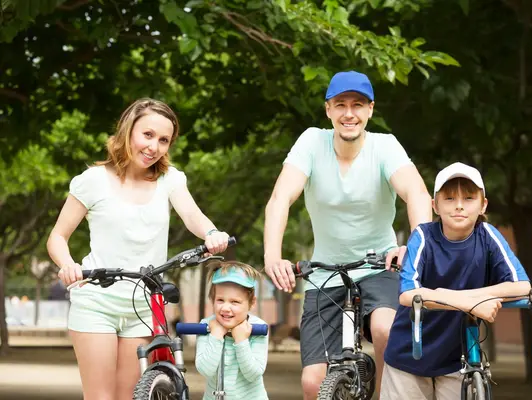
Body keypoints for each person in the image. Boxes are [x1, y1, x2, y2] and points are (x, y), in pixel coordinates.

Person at [46, 98, 231, 400]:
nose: (154, 147)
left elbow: (192, 215)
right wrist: (67, 264)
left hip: (142, 305)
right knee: (100, 397)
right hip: (96, 301)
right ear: (128, 130)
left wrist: (211, 232)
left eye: (163, 140)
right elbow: (57, 237)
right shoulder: (93, 180)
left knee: (129, 396)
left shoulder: (170, 180)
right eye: (147, 135)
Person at [263, 70, 432, 399]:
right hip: (325, 271)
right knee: (313, 383)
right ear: (328, 110)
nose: (349, 113)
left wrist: (415, 247)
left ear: (370, 109)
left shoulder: (385, 146)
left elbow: (417, 194)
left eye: (358, 105)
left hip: (379, 266)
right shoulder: (312, 142)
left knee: (384, 330)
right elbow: (280, 198)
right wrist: (272, 255)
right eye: (340, 104)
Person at [381, 162, 531, 399]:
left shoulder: (489, 236)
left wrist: (462, 297)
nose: (459, 206)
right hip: (408, 355)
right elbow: (408, 294)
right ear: (435, 206)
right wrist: (471, 304)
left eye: (469, 198)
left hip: (456, 358)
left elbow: (522, 286)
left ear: (483, 205)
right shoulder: (423, 236)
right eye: (449, 198)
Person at [195, 261, 268, 400]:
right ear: (212, 299)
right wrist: (215, 335)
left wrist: (241, 340)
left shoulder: (258, 327)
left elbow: (253, 374)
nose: (226, 308)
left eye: (235, 302)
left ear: (251, 303)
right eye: (220, 300)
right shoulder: (206, 326)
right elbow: (205, 370)